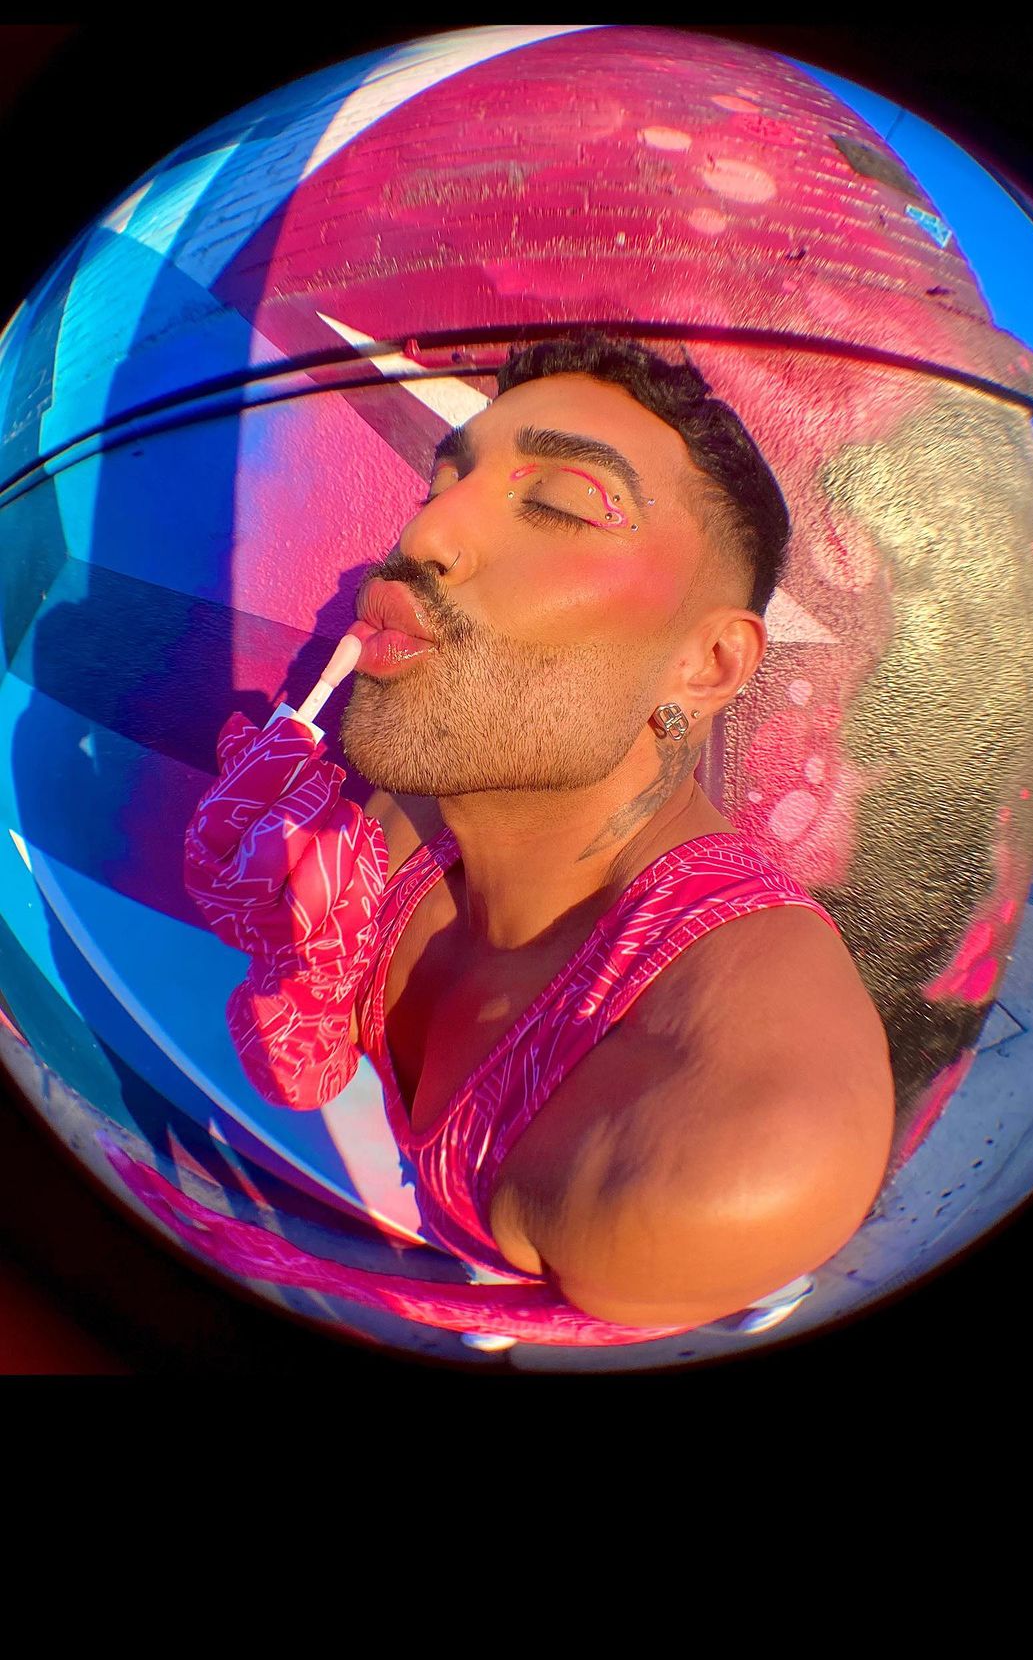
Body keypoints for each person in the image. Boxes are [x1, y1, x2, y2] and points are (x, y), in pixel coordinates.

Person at [188, 331, 895, 1338]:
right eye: (442, 483)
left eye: (562, 503)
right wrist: (290, 935)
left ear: (705, 665)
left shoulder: (722, 1142)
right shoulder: (413, 812)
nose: (424, 534)